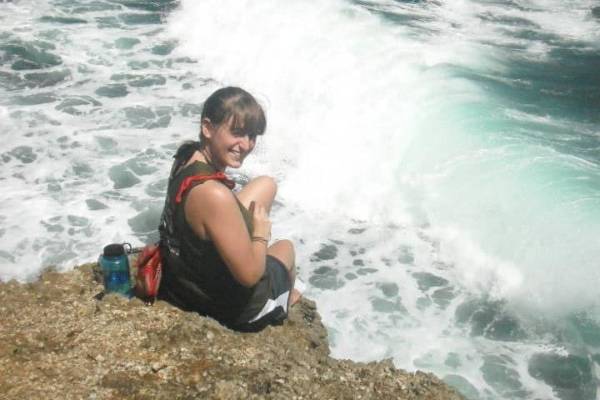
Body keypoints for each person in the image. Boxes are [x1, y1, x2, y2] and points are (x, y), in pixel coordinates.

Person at [157, 86, 300, 332]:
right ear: (207, 127)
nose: (245, 145)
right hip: (230, 308)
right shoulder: (214, 194)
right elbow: (249, 276)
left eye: (252, 136)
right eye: (237, 133)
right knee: (285, 248)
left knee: (266, 185)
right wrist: (260, 234)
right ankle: (282, 302)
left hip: (182, 286)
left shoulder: (186, 157)